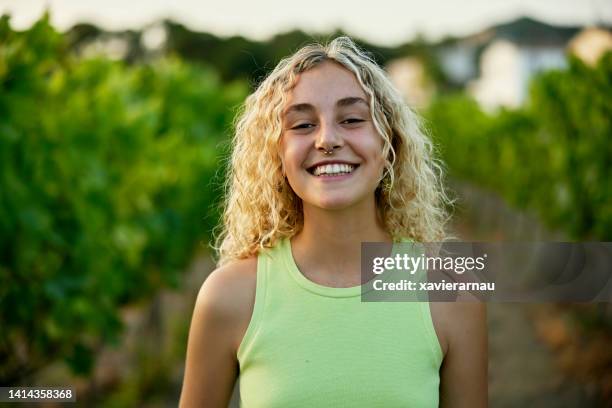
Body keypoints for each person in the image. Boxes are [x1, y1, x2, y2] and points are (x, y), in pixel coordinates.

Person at [179, 36, 487, 407]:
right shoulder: (229, 297)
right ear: (277, 154)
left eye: (353, 119)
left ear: (390, 143)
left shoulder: (451, 290)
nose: (327, 139)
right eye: (303, 125)